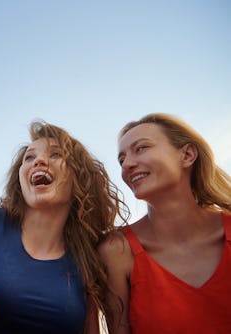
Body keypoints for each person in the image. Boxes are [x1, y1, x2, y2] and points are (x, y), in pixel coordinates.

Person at [0, 120, 128, 334]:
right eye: (29, 157)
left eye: (56, 154)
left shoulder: (88, 255)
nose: (39, 160)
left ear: (79, 176)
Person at [99, 113, 231, 333]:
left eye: (141, 148)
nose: (127, 165)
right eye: (121, 159)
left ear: (187, 155)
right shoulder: (117, 251)